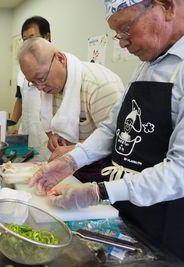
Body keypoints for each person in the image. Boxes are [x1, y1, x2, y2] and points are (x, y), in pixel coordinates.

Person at [29, 0, 184, 260]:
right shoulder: (147, 64)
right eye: (117, 33)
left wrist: (98, 191)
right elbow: (113, 127)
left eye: (126, 29)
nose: (122, 43)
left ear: (166, 6)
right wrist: (71, 160)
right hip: (127, 211)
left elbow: (179, 171)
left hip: (166, 218)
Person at [19, 37, 124, 181]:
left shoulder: (99, 86)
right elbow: (62, 129)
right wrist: (56, 139)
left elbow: (118, 143)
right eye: (33, 83)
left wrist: (73, 150)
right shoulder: (50, 88)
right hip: (76, 170)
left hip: (104, 174)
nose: (40, 88)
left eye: (41, 78)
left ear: (60, 59)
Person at [10, 16, 52, 159]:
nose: (28, 43)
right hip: (26, 133)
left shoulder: (56, 66)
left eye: (32, 38)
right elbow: (20, 99)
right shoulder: (23, 69)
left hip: (47, 138)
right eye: (25, 39)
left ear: (47, 37)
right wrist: (12, 124)